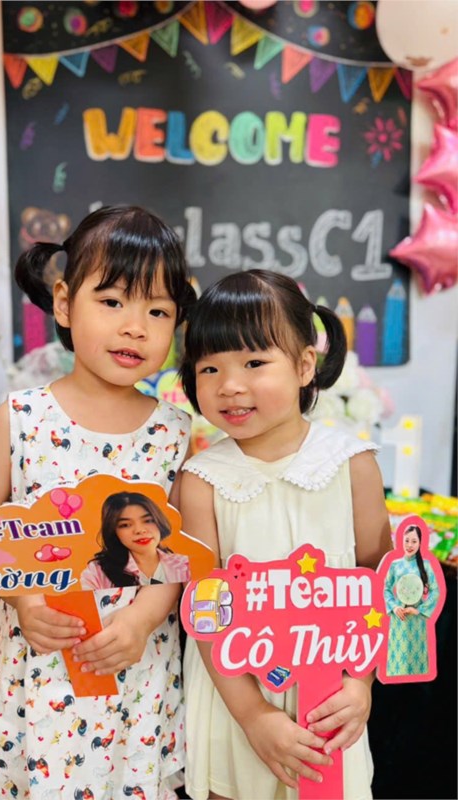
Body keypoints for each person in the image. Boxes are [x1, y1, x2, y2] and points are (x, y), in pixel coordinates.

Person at [0, 205, 196, 800]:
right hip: (41, 667)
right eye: (112, 301)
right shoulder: (20, 418)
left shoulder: (174, 431)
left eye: (157, 311)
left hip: (135, 671)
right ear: (65, 303)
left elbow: (180, 552)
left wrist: (141, 621)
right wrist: (23, 597)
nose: (135, 327)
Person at [178, 269, 392, 800]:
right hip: (236, 699)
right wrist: (253, 715)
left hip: (330, 701)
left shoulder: (353, 465)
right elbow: (203, 611)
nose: (230, 385)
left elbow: (379, 582)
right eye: (210, 368)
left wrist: (359, 684)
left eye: (254, 363)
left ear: (304, 366)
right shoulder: (200, 481)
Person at [80, 491, 191, 590]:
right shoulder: (97, 572)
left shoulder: (184, 565)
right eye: (125, 525)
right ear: (113, 531)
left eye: (148, 520)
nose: (139, 530)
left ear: (159, 521)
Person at [384, 523, 440, 677]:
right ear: (401, 541)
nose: (410, 545)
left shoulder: (426, 565)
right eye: (407, 540)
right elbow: (385, 588)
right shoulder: (395, 565)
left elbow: (436, 591)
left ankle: (417, 685)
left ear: (420, 543)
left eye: (414, 541)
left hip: (417, 618)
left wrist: (419, 610)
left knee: (417, 656)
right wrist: (394, 607)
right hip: (399, 616)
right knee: (398, 656)